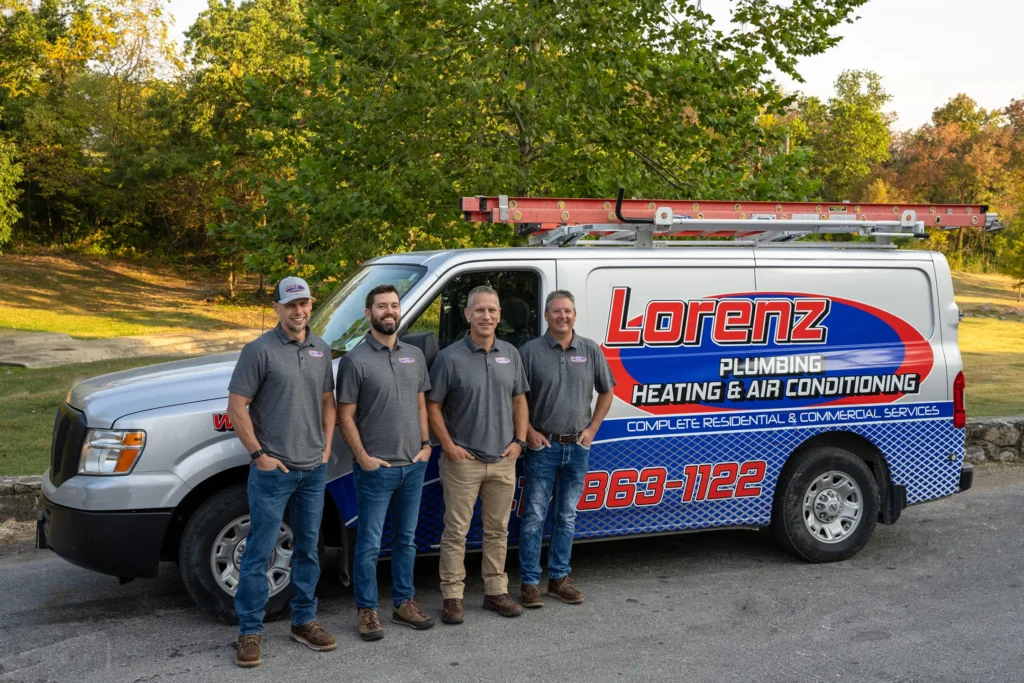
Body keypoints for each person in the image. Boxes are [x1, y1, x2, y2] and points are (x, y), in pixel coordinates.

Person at [226, 276, 337, 668]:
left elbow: (328, 401)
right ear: (276, 308)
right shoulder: (258, 351)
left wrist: (326, 447)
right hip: (273, 471)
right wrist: (258, 455)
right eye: (291, 304)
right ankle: (250, 632)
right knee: (259, 551)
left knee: (308, 549)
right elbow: (237, 407)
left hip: (312, 471)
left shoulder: (321, 349)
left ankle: (304, 621)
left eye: (304, 303)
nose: (299, 311)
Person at [426, 285, 530, 623]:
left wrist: (519, 442)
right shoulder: (450, 357)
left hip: (503, 460)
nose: (487, 316)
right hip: (463, 462)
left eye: (493, 310)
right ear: (468, 315)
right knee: (455, 532)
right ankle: (452, 595)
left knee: (498, 530)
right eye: (480, 310)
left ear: (499, 315)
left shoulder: (510, 354)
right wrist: (450, 447)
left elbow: (519, 400)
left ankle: (495, 592)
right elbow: (433, 405)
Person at [336, 284, 435, 642]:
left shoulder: (415, 356)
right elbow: (344, 416)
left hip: (414, 465)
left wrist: (426, 445)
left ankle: (404, 603)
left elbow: (422, 404)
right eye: (382, 306)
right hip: (377, 469)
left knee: (406, 540)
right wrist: (363, 458)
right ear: (369, 314)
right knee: (369, 544)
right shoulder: (354, 361)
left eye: (394, 306)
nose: (389, 311)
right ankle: (366, 610)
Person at [518, 290, 615, 608]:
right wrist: (529, 432)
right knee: (533, 516)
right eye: (556, 311)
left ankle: (559, 579)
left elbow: (606, 392)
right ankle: (530, 583)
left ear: (575, 315)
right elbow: (515, 399)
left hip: (577, 447)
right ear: (546, 316)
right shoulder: (529, 352)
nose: (563, 316)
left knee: (567, 517)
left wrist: (592, 430)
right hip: (541, 447)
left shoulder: (590, 349)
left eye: (568, 311)